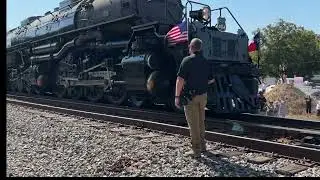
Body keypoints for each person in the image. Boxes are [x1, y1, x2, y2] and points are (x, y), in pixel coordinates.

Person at [175, 38, 215, 158]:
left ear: (191, 47)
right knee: (201, 121)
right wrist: (201, 83)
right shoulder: (206, 61)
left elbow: (180, 80)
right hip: (203, 96)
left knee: (193, 123)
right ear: (200, 48)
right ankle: (203, 147)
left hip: (190, 97)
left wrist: (177, 96)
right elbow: (211, 80)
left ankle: (196, 150)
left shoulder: (187, 60)